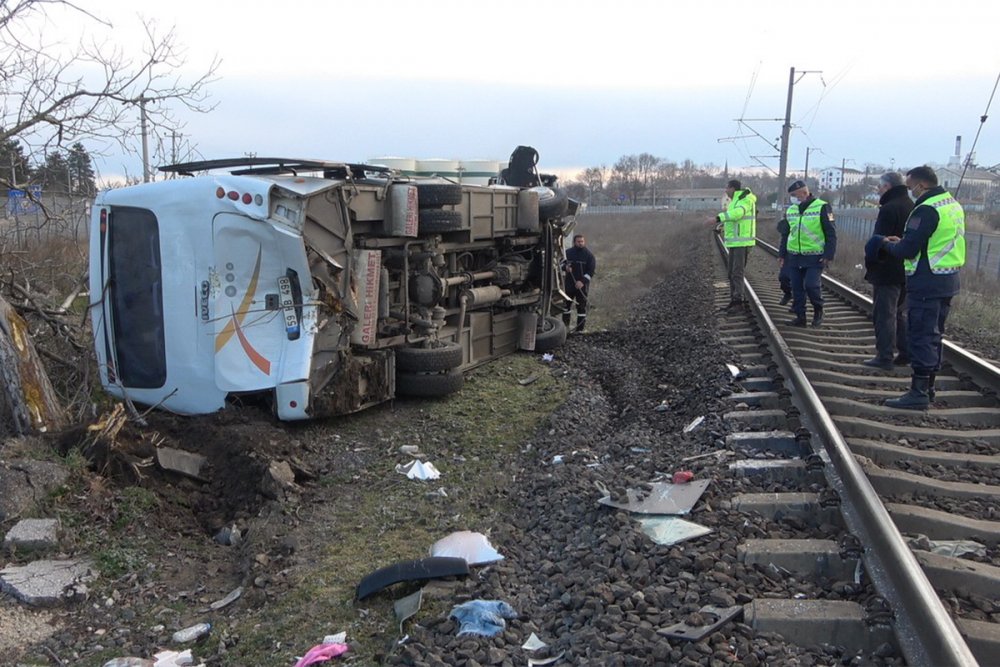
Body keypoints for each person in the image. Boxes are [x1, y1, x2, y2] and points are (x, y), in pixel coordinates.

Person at [878, 166, 964, 409]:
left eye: (911, 186)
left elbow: (908, 250)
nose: (911, 191)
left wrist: (886, 244)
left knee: (921, 335)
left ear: (921, 185)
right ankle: (930, 387)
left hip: (926, 280)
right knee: (935, 335)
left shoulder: (926, 209)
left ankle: (918, 393)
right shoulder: (952, 204)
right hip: (948, 279)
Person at [861, 173, 913, 370]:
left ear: (888, 187)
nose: (877, 190)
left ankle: (884, 356)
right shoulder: (912, 206)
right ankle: (905, 353)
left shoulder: (889, 208)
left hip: (887, 270)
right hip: (906, 269)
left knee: (885, 315)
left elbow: (880, 240)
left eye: (879, 187)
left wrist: (872, 256)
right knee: (900, 314)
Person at [778, 180, 837, 327]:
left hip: (815, 256)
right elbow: (786, 234)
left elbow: (831, 233)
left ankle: (818, 310)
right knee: (797, 288)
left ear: (804, 193)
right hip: (794, 256)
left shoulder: (822, 207)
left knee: (811, 286)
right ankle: (800, 317)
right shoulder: (791, 210)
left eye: (794, 195)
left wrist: (828, 255)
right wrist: (782, 254)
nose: (792, 198)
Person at [713, 179, 757, 309]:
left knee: (737, 272)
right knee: (731, 272)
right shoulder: (735, 201)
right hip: (736, 243)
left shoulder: (745, 199)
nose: (726, 191)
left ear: (733, 188)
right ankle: (735, 299)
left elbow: (738, 214)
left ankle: (738, 301)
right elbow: (734, 222)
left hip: (742, 243)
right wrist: (723, 227)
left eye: (727, 188)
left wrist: (718, 218)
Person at [562, 234, 596, 332]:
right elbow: (560, 264)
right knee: (566, 307)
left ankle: (580, 330)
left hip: (582, 287)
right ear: (574, 242)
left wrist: (582, 282)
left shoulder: (589, 255)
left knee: (581, 308)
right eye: (578, 242)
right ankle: (565, 328)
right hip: (569, 285)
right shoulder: (567, 253)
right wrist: (565, 268)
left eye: (582, 241)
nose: (581, 243)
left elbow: (591, 271)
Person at [777, 217, 793, 306]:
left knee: (802, 282)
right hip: (790, 252)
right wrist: (781, 255)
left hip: (809, 253)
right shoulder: (792, 211)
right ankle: (788, 293)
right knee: (783, 277)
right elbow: (784, 237)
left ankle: (798, 306)